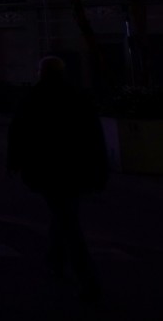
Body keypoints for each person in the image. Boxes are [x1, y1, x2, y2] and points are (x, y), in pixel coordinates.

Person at [6, 55, 108, 303]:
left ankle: (88, 279)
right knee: (64, 212)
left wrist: (15, 162)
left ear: (41, 73)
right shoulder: (78, 97)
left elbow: (18, 131)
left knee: (67, 220)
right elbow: (95, 136)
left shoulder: (34, 98)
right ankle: (56, 259)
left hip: (49, 169)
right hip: (77, 169)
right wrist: (99, 168)